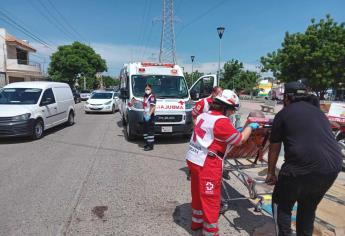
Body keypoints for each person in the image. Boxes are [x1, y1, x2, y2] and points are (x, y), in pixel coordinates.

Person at [265, 81, 343, 236]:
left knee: (282, 203)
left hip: (300, 167)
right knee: (308, 206)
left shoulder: (283, 114)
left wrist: (271, 173)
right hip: (333, 167)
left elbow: (274, 147)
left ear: (286, 97)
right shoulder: (319, 113)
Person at [186, 89, 259, 235]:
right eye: (231, 110)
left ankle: (196, 222)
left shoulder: (203, 115)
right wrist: (250, 126)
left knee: (197, 192)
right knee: (211, 199)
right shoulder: (221, 121)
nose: (232, 113)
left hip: (194, 158)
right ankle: (210, 231)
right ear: (225, 107)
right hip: (207, 163)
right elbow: (239, 140)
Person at [142, 84, 156, 151]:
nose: (147, 90)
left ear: (151, 89)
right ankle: (147, 143)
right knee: (145, 131)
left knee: (150, 132)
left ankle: (150, 146)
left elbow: (153, 107)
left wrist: (149, 115)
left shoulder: (152, 96)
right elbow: (145, 106)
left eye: (148, 89)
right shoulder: (145, 96)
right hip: (145, 115)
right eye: (146, 89)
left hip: (150, 116)